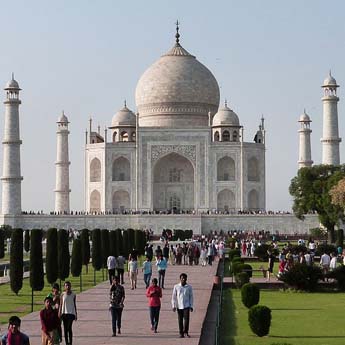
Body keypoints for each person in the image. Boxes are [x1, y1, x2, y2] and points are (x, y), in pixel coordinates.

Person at [171, 273, 194, 338]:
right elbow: (173, 297)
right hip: (179, 306)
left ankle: (186, 332)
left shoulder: (189, 287)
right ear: (180, 279)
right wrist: (173, 306)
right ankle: (181, 333)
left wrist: (191, 306)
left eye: (184, 278)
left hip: (186, 306)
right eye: (182, 278)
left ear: (186, 279)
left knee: (186, 320)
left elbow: (191, 297)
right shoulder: (176, 286)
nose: (183, 279)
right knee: (180, 320)